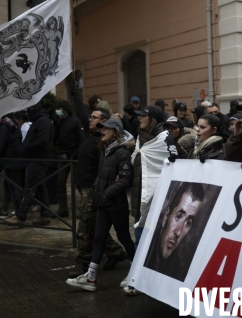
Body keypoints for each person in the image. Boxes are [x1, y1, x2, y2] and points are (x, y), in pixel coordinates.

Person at [66, 119, 135, 292]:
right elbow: (101, 175)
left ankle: (135, 274)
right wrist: (98, 193)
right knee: (98, 238)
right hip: (103, 203)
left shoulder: (122, 153)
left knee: (124, 237)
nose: (102, 131)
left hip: (116, 204)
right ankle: (90, 278)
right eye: (101, 128)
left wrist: (106, 193)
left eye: (106, 128)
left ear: (116, 132)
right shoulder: (105, 151)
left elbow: (126, 180)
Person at [69, 82, 126, 278]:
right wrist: (74, 91)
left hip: (92, 190)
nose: (89, 120)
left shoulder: (103, 140)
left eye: (94, 118)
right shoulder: (90, 134)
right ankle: (116, 252)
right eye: (90, 117)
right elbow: (80, 111)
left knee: (84, 228)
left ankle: (82, 265)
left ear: (103, 122)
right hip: (83, 187)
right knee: (93, 226)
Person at [6, 103, 54, 225]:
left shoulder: (43, 121)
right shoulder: (39, 120)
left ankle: (21, 216)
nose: (29, 111)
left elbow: (43, 140)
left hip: (37, 159)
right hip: (36, 158)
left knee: (30, 187)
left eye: (31, 108)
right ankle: (45, 215)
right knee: (40, 187)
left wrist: (27, 147)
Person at [144, 182, 204, 279]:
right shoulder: (144, 247)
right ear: (166, 216)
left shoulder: (177, 269)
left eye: (187, 223)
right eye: (178, 217)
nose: (178, 232)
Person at [131, 106, 169, 251]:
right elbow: (136, 162)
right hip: (140, 195)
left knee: (156, 240)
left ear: (152, 119)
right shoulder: (140, 138)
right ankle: (136, 273)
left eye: (143, 115)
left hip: (158, 198)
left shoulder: (164, 139)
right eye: (138, 115)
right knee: (139, 239)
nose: (139, 118)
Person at [54, 100, 85, 217]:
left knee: (78, 183)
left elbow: (82, 138)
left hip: (74, 156)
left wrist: (76, 153)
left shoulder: (75, 121)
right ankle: (63, 208)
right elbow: (55, 137)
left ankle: (84, 207)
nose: (57, 111)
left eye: (59, 108)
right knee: (60, 183)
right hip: (63, 155)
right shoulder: (59, 122)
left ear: (65, 109)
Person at [0, 115, 25, 220]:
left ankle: (19, 214)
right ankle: (4, 209)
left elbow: (1, 145)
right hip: (17, 161)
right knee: (9, 186)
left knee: (13, 187)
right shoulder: (14, 126)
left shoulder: (4, 127)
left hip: (10, 161)